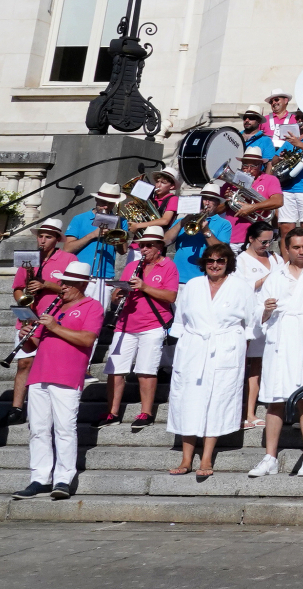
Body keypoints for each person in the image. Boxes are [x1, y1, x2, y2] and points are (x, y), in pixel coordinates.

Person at [247, 227, 303, 478]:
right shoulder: (276, 276)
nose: (300, 251)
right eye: (296, 247)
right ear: (286, 248)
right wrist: (265, 310)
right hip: (280, 340)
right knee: (275, 400)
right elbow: (256, 313)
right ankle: (270, 457)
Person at [167, 244, 257, 479]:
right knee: (189, 400)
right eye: (210, 261)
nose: (215, 265)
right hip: (193, 347)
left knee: (217, 399)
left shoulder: (240, 287)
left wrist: (239, 349)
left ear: (228, 263)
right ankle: (186, 458)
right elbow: (180, 320)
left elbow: (251, 323)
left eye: (220, 261)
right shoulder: (193, 286)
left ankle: (207, 456)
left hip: (226, 346)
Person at [15, 260, 102, 499]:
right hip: (40, 373)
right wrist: (27, 334)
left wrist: (54, 326)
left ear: (80, 285)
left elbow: (86, 339)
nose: (61, 286)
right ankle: (39, 478)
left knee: (64, 429)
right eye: (62, 282)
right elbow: (36, 342)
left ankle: (63, 479)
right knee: (38, 429)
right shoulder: (53, 307)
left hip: (67, 375)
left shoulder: (92, 306)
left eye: (67, 283)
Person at [102, 226, 177, 429]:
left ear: (159, 247)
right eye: (142, 245)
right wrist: (116, 297)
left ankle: (146, 412)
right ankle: (112, 412)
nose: (143, 249)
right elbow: (118, 292)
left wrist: (144, 287)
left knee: (146, 370)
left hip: (152, 324)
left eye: (148, 246)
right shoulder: (133, 266)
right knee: (115, 370)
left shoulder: (168, 267)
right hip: (125, 323)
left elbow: (171, 296)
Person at [6, 217, 70, 424]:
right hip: (29, 316)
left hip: (54, 318)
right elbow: (17, 287)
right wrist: (23, 302)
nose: (42, 240)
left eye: (48, 237)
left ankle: (43, 408)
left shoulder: (69, 260)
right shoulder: (29, 258)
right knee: (24, 362)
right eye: (40, 236)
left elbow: (73, 290)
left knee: (48, 363)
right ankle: (16, 408)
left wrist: (46, 285)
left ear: (57, 240)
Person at [237, 220, 279, 428]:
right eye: (263, 242)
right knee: (243, 367)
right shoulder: (241, 261)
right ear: (251, 239)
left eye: (271, 241)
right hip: (250, 319)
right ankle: (241, 412)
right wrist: (265, 279)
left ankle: (251, 413)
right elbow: (238, 289)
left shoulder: (276, 258)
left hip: (272, 319)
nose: (267, 246)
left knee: (258, 367)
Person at [62, 181, 129, 307]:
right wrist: (92, 235)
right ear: (96, 200)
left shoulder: (121, 221)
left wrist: (115, 234)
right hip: (80, 275)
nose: (106, 207)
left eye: (110, 203)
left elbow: (123, 250)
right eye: (103, 202)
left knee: (97, 317)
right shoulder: (79, 219)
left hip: (104, 276)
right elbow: (67, 248)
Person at [171, 185, 234, 282]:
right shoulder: (182, 220)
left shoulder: (224, 224)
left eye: (211, 199)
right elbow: (165, 241)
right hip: (178, 277)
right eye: (204, 199)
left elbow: (222, 251)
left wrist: (206, 231)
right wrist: (183, 222)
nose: (207, 203)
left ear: (217, 203)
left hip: (204, 278)